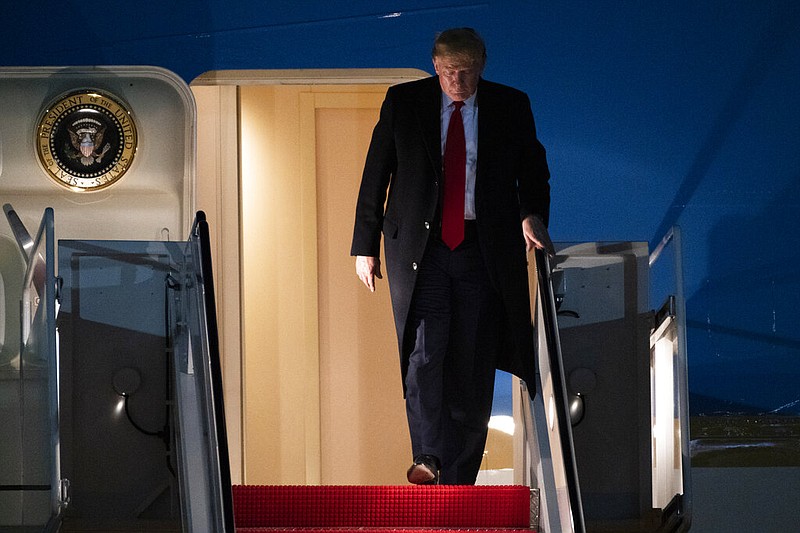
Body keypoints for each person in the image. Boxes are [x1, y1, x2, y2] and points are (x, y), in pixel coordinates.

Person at [351, 27, 554, 485]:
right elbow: (375, 173)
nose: (456, 81)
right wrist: (364, 245)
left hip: (482, 250)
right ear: (434, 65)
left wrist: (531, 215)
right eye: (447, 72)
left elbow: (534, 173)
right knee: (424, 354)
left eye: (465, 72)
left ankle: (460, 474)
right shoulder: (404, 102)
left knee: (472, 361)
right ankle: (427, 456)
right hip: (422, 251)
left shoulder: (510, 105)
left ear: (482, 64)